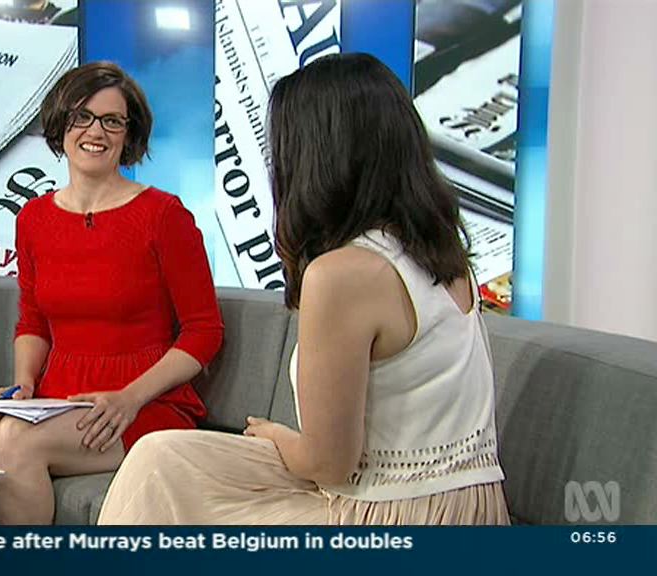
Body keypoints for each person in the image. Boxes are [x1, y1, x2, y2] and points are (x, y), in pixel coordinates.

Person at [98, 53, 510, 525]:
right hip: (465, 504)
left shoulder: (343, 274)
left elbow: (329, 463)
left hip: (397, 515)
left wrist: (277, 436)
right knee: (162, 458)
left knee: (162, 485)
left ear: (315, 157)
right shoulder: (442, 253)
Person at [0, 61, 223, 524]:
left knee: (17, 440)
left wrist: (129, 398)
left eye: (112, 120)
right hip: (57, 396)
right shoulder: (34, 218)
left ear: (129, 134)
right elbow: (33, 321)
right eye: (82, 116)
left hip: (144, 401)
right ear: (61, 125)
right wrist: (24, 385)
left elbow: (204, 331)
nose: (96, 131)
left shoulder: (163, 215)